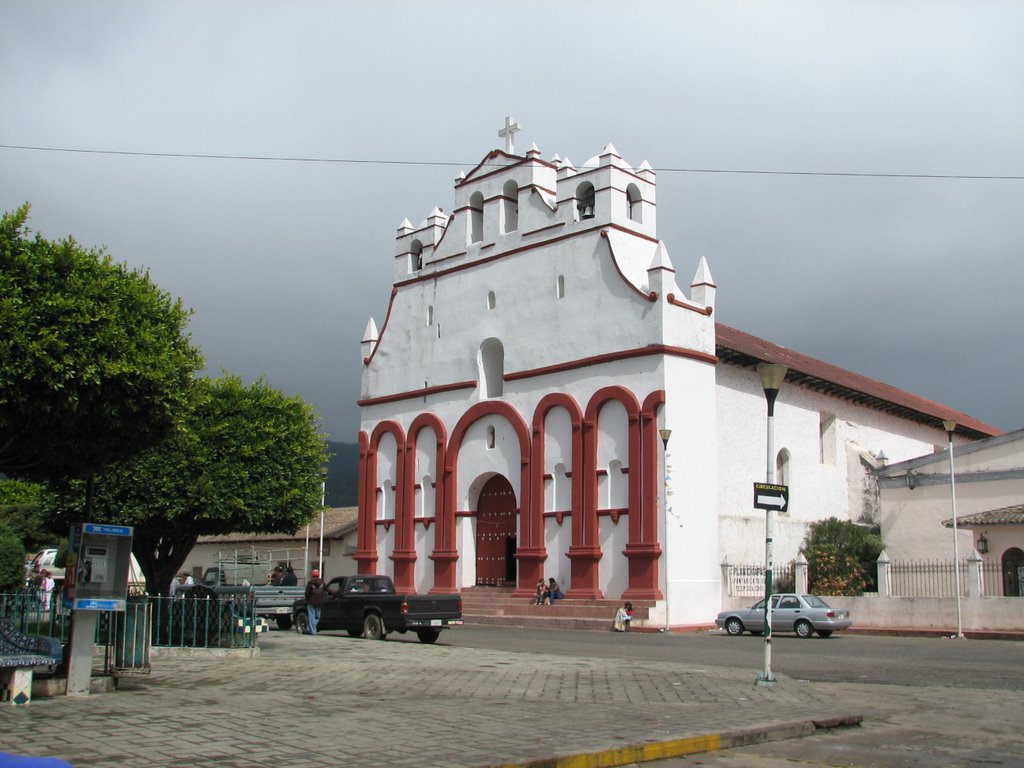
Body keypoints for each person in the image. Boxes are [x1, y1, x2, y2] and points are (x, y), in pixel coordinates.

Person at [304, 569, 326, 634]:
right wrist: (336, 593)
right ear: (318, 574)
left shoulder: (310, 583)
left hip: (311, 602)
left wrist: (308, 599)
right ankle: (311, 629)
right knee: (318, 617)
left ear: (312, 575)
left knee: (311, 617)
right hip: (319, 602)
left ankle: (312, 631)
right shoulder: (322, 582)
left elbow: (306, 593)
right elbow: (328, 590)